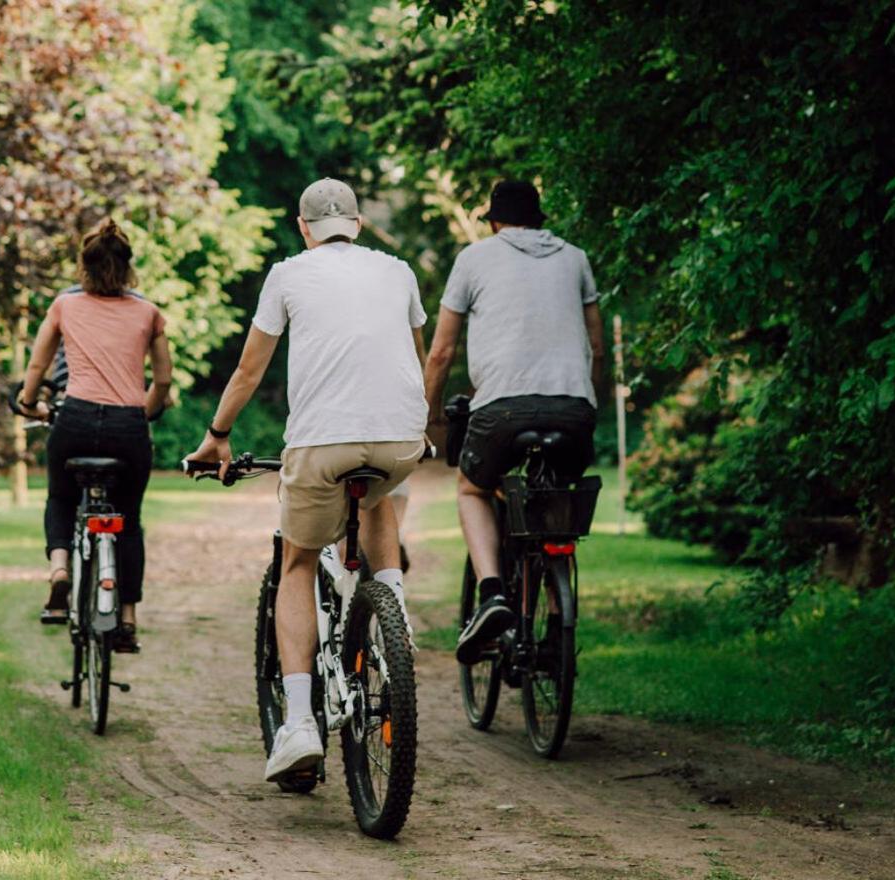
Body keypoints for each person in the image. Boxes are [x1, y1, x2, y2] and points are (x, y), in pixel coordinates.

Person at [186, 178, 428, 782]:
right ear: (358, 225)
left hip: (322, 443)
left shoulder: (288, 274)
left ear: (303, 228)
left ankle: (297, 723)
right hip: (400, 438)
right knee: (375, 498)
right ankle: (394, 616)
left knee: (297, 562)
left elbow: (250, 368)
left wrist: (218, 434)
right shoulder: (398, 271)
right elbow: (417, 355)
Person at [423, 180, 604, 665]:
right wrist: (589, 406)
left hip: (502, 409)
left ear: (495, 222)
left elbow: (441, 351)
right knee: (557, 509)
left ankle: (493, 595)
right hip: (573, 408)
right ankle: (553, 623)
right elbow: (597, 347)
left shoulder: (474, 260)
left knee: (472, 489)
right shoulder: (576, 259)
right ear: (537, 219)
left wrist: (430, 413)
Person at [18, 219, 172, 654]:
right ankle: (126, 619)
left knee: (62, 498)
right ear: (128, 269)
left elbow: (37, 369)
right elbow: (162, 381)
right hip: (128, 425)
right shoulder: (149, 313)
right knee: (129, 521)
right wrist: (143, 412)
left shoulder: (64, 306)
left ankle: (60, 570)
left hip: (76, 420)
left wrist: (30, 403)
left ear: (84, 266)